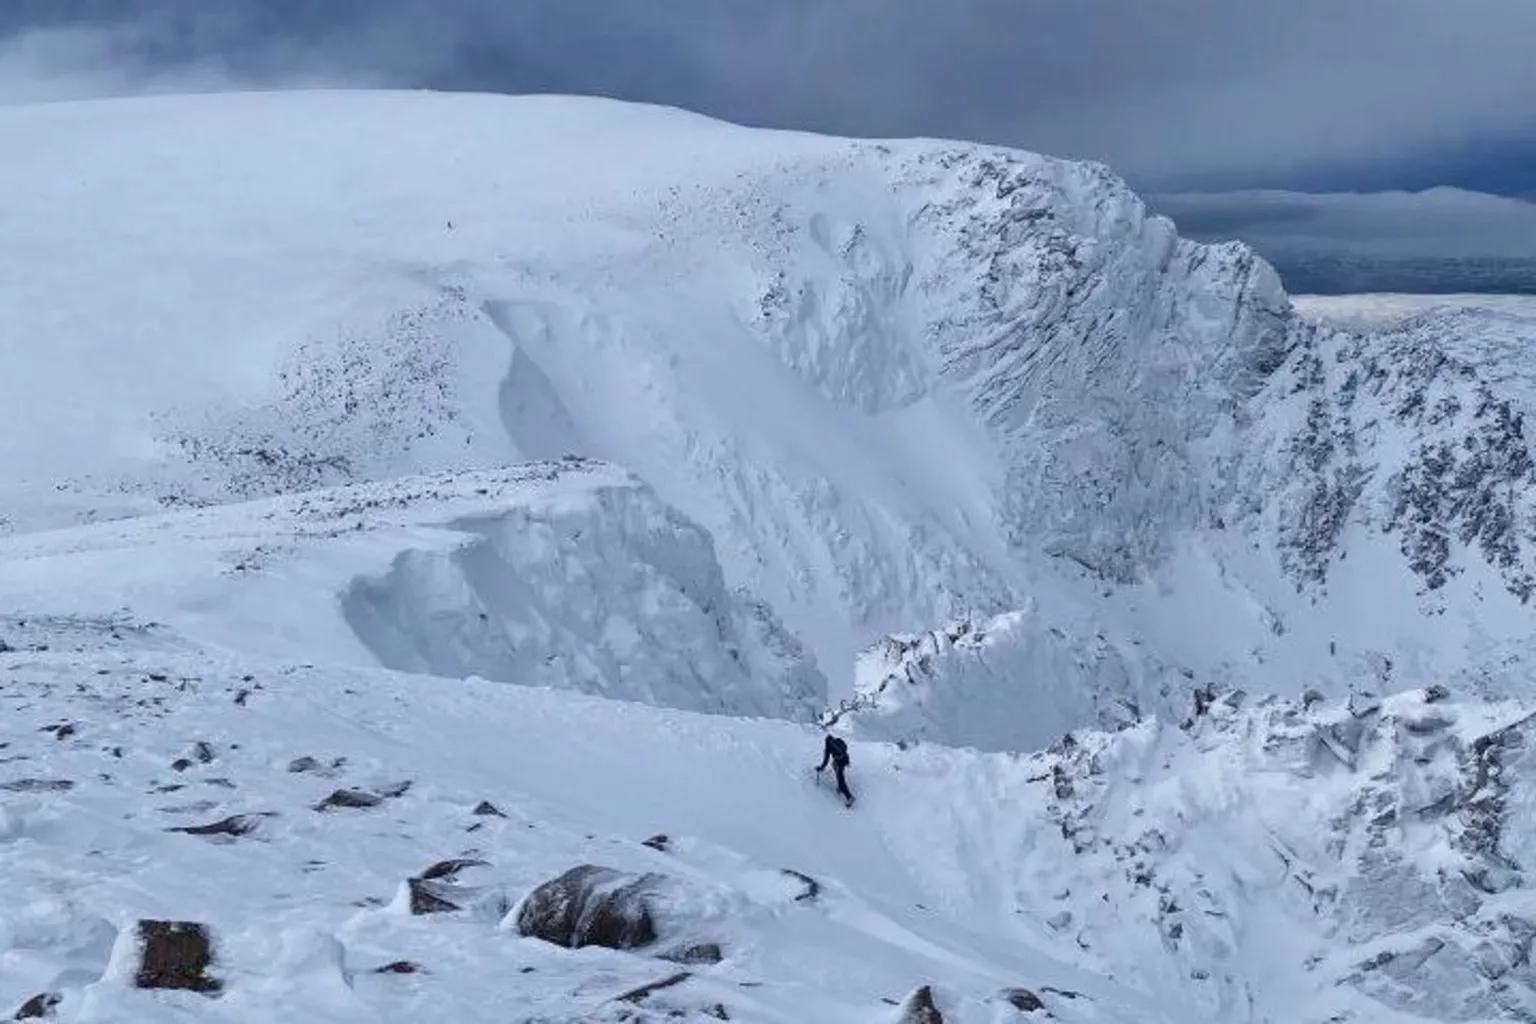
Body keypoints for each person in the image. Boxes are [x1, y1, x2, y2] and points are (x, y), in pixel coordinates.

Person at [816, 733, 855, 806]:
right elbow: (845, 747)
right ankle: (841, 788)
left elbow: (826, 760)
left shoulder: (828, 747)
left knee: (840, 779)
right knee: (839, 774)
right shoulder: (838, 740)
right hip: (845, 759)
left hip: (840, 762)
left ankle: (849, 797)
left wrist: (820, 768)